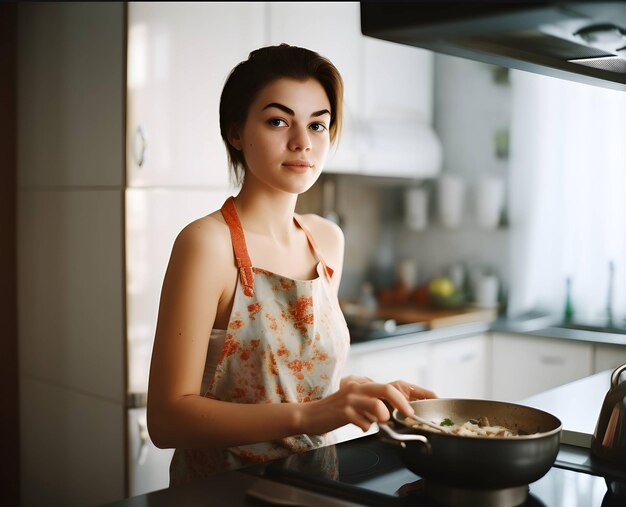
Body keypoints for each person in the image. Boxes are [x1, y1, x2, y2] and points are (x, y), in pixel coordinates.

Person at [146, 43, 437, 486]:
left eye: (318, 124)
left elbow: (291, 383)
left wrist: (353, 394)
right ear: (236, 132)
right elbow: (168, 420)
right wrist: (310, 414)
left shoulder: (326, 240)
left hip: (315, 485)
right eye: (279, 121)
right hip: (224, 493)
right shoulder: (207, 244)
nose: (303, 142)